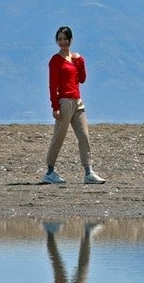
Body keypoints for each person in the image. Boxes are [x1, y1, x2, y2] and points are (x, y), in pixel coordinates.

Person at [42, 25, 106, 185]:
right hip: (64, 102)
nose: (62, 42)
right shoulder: (55, 60)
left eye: (65, 39)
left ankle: (88, 171)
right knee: (59, 136)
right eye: (59, 39)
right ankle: (50, 171)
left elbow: (82, 79)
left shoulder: (76, 59)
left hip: (78, 101)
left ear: (71, 40)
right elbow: (52, 85)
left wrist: (80, 61)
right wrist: (55, 106)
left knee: (84, 136)